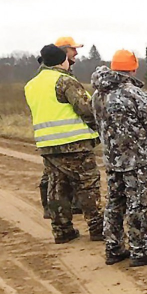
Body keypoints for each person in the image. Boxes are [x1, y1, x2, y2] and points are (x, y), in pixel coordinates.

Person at [91, 50, 147, 266]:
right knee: (139, 205)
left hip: (112, 159)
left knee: (115, 203)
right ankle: (140, 251)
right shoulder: (134, 94)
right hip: (137, 160)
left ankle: (114, 248)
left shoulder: (98, 94)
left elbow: (94, 122)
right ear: (133, 68)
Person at [24, 44, 103, 244]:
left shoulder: (31, 85)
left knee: (57, 186)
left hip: (47, 144)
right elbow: (86, 109)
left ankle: (62, 230)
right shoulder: (65, 81)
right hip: (74, 143)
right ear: (62, 61)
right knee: (88, 184)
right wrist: (99, 128)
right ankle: (98, 229)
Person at [39, 36, 87, 218]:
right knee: (52, 175)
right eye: (73, 49)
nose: (76, 53)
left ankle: (68, 206)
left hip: (53, 134)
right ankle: (52, 209)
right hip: (57, 133)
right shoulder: (56, 76)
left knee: (60, 174)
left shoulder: (62, 73)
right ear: (63, 52)